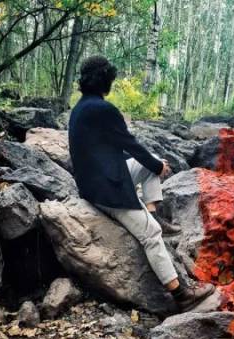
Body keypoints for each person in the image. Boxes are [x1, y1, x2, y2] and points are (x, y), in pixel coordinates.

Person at [68, 56, 215, 312]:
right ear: (106, 79)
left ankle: (153, 213)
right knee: (150, 235)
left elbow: (104, 149)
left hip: (91, 180)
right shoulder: (103, 110)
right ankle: (181, 294)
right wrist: (158, 168)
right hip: (106, 189)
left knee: (151, 163)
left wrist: (153, 164)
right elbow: (129, 144)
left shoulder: (81, 108)